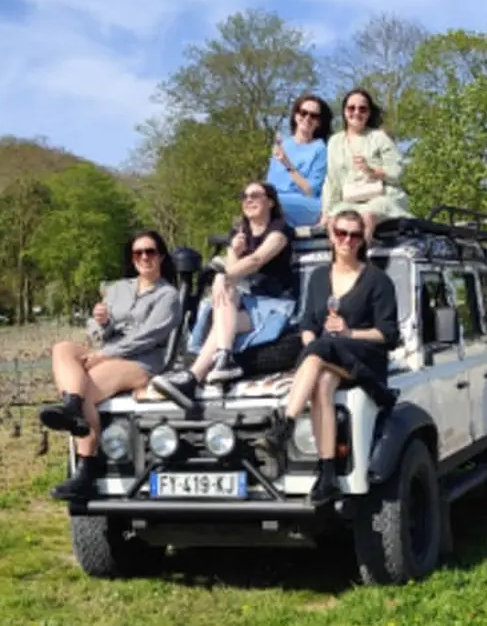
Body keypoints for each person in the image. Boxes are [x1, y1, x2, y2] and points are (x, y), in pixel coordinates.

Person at [260, 208, 399, 505]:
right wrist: (313, 345)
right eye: (341, 233)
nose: (347, 240)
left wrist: (349, 333)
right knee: (322, 383)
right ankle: (327, 475)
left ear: (363, 240)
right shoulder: (319, 277)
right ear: (332, 237)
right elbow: (308, 325)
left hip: (365, 358)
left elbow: (388, 334)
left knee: (321, 350)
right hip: (327, 357)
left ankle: (285, 424)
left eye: (354, 235)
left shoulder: (378, 280)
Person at [39, 230, 182, 500]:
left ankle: (85, 471)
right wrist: (102, 322)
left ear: (161, 256)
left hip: (141, 360)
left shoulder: (168, 296)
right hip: (106, 349)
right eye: (138, 253)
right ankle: (72, 407)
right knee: (62, 349)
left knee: (87, 390)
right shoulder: (118, 289)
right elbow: (96, 325)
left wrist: (106, 354)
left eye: (150, 252)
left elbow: (148, 337)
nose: (144, 257)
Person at [151, 180, 297, 406]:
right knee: (224, 318)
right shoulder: (239, 232)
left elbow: (257, 260)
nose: (248, 200)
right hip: (241, 305)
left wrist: (224, 275)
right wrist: (234, 252)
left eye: (255, 195)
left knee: (225, 292)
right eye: (244, 196)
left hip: (273, 304)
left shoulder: (280, 230)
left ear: (270, 202)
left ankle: (196, 373)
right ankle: (215, 363)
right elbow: (234, 272)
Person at [320, 87, 410, 242]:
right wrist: (326, 213)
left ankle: (362, 262)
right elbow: (332, 181)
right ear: (344, 111)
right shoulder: (334, 142)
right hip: (349, 201)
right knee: (334, 221)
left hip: (383, 198)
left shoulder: (379, 137)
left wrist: (372, 172)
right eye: (351, 108)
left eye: (362, 109)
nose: (356, 112)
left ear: (369, 113)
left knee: (364, 218)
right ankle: (339, 263)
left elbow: (398, 173)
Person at [266, 93, 332, 226]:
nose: (307, 118)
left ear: (319, 122)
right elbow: (270, 185)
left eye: (313, 116)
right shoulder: (282, 145)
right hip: (273, 201)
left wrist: (287, 164)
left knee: (266, 203)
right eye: (303, 113)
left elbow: (310, 191)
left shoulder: (320, 149)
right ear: (296, 115)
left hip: (306, 204)